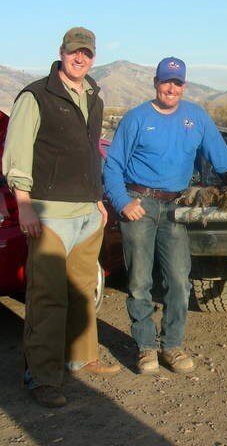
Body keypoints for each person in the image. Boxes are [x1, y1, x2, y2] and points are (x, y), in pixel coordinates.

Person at [2, 27, 121, 408]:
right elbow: (16, 151)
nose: (80, 58)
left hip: (87, 211)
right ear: (61, 53)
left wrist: (98, 199)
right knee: (47, 297)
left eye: (86, 53)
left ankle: (81, 357)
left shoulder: (93, 96)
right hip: (50, 213)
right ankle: (42, 377)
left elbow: (89, 152)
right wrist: (23, 203)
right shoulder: (36, 95)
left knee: (83, 291)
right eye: (74, 52)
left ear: (93, 56)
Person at [103, 57, 227, 375]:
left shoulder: (196, 117)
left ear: (184, 85)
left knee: (179, 281)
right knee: (139, 281)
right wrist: (122, 201)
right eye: (166, 82)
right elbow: (112, 166)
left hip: (176, 207)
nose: (171, 88)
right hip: (139, 205)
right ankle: (146, 348)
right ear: (155, 83)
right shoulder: (136, 119)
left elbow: (223, 162)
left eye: (177, 83)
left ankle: (171, 345)